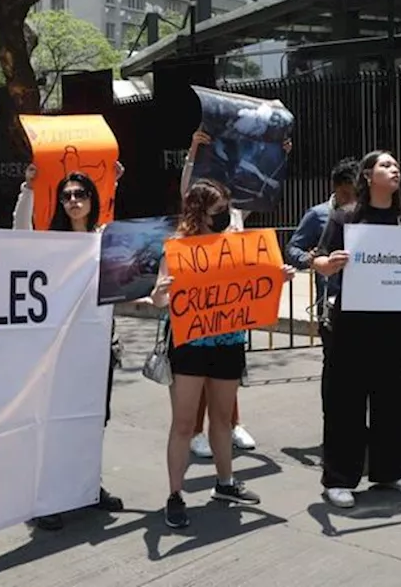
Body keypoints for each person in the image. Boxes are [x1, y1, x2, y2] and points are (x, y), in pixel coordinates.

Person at [311, 150, 401, 508]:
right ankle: (339, 477)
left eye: (396, 165)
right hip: (352, 321)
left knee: (390, 399)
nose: (394, 169)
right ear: (368, 175)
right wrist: (328, 265)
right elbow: (316, 258)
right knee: (346, 401)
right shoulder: (346, 217)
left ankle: (391, 470)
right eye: (386, 165)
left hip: (392, 322)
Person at [149, 178, 294, 529]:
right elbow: (159, 299)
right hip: (189, 346)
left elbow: (252, 284)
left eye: (226, 210)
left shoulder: (235, 245)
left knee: (223, 420)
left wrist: (278, 278)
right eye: (218, 211)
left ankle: (225, 483)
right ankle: (175, 494)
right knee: (184, 424)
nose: (224, 216)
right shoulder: (178, 248)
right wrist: (159, 293)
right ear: (199, 212)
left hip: (227, 343)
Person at [12, 165, 126, 528]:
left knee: (95, 419)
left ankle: (87, 486)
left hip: (99, 348)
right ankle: (44, 499)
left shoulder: (104, 237)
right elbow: (19, 233)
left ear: (92, 200)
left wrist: (114, 185)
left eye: (81, 194)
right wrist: (28, 190)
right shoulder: (52, 243)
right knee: (55, 422)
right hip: (60, 350)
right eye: (67, 196)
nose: (74, 201)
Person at [180, 128, 265, 458]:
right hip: (202, 301)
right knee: (201, 371)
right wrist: (192, 152)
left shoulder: (236, 215)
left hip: (231, 301)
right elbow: (187, 189)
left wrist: (278, 155)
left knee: (229, 366)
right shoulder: (198, 219)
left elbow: (258, 188)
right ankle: (197, 432)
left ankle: (232, 423)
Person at [286, 157, 360, 358]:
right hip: (331, 303)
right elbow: (293, 248)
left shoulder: (368, 216)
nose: (351, 201)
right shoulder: (318, 215)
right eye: (346, 194)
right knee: (334, 363)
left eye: (356, 194)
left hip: (364, 303)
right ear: (335, 187)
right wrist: (310, 259)